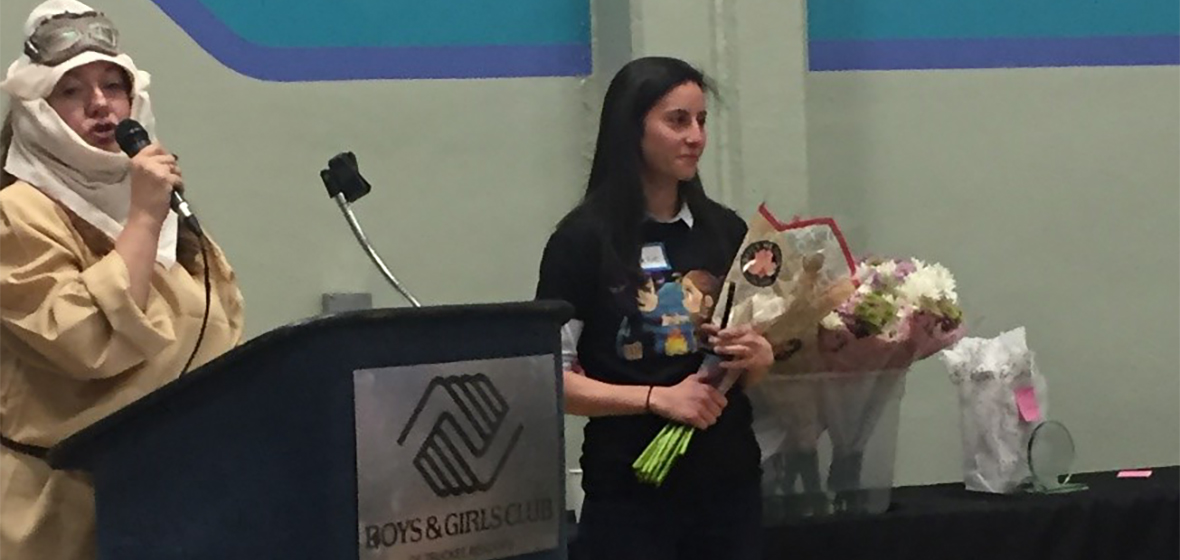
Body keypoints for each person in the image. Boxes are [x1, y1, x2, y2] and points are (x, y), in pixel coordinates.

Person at [0, 2, 244, 558]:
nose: (100, 105)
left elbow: (216, 320)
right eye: (71, 91)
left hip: (171, 491)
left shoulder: (156, 202)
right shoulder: (18, 212)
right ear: (36, 108)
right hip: (62, 511)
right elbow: (82, 341)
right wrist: (141, 218)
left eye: (115, 86)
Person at [535, 56, 774, 560]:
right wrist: (654, 398)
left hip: (728, 488)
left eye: (701, 121)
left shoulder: (725, 232)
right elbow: (548, 380)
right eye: (677, 121)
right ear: (631, 128)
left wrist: (758, 360)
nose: (695, 137)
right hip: (630, 493)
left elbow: (744, 361)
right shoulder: (581, 241)